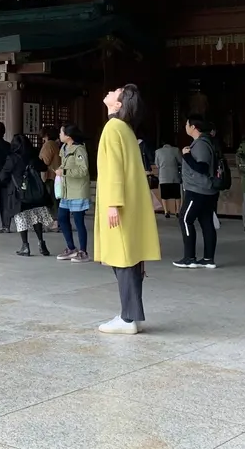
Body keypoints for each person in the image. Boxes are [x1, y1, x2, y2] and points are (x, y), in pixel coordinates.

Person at [94, 83, 160, 334]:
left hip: (119, 203)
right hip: (130, 203)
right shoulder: (125, 129)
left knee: (122, 259)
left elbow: (113, 170)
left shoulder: (113, 128)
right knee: (130, 260)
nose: (110, 92)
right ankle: (133, 314)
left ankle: (128, 318)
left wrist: (113, 203)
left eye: (115, 92)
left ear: (118, 104)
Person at [176, 116, 219, 269]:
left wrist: (186, 156)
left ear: (194, 127)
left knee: (185, 219)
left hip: (197, 190)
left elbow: (201, 167)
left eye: (187, 124)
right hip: (207, 190)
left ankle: (190, 257)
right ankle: (208, 259)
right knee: (206, 222)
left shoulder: (200, 144)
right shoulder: (206, 142)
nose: (185, 127)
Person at [3, 134, 52, 257]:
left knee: (21, 218)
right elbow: (44, 167)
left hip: (19, 193)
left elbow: (3, 175)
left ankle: (25, 246)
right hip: (35, 192)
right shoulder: (33, 156)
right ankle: (41, 243)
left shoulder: (12, 158)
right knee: (36, 217)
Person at [55, 123, 91, 262]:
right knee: (62, 217)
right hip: (66, 190)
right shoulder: (64, 148)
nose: (59, 135)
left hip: (78, 191)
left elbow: (83, 170)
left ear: (68, 136)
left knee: (78, 221)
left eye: (61, 132)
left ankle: (83, 251)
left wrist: (64, 172)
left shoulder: (79, 150)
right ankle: (71, 248)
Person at [40, 125, 62, 229]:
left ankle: (54, 222)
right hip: (56, 175)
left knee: (50, 199)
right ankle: (56, 221)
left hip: (50, 175)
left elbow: (45, 161)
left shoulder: (48, 145)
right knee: (55, 199)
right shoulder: (55, 144)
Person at [153, 141, 182, 218]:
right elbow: (181, 161)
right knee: (177, 194)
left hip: (163, 176)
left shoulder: (158, 151)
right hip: (174, 176)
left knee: (164, 195)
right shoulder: (176, 150)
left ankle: (166, 211)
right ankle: (178, 211)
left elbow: (157, 164)